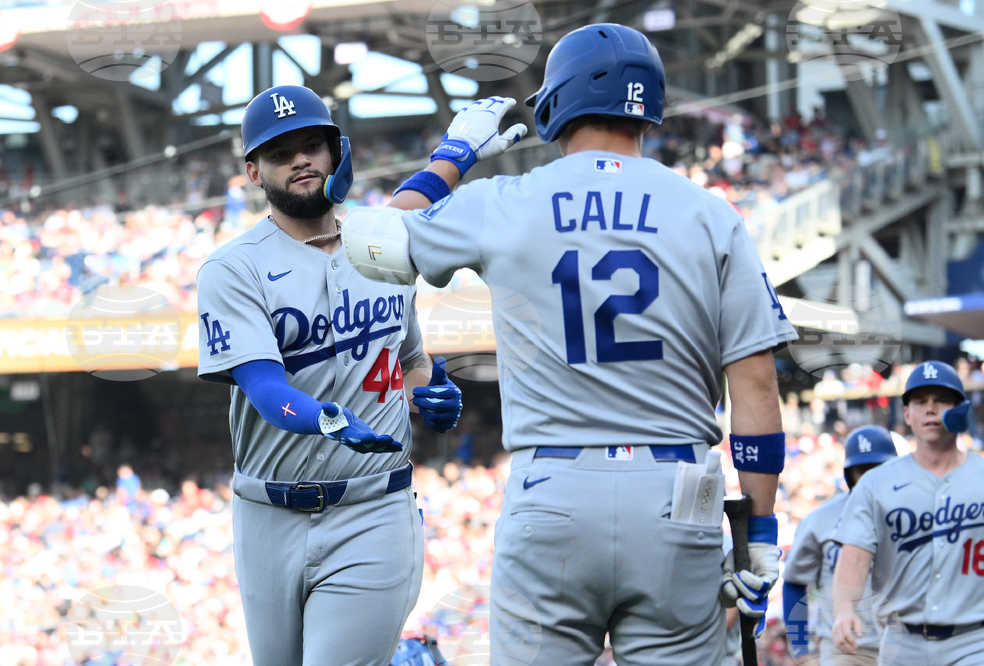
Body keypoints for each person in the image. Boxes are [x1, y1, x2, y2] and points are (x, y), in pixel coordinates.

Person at [341, 23, 797, 665]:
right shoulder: (710, 213)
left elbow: (370, 244)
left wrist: (454, 156)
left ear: (556, 102)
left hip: (552, 489)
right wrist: (761, 529)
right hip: (678, 492)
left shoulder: (507, 201)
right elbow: (756, 384)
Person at [196, 85, 463, 666]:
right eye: (280, 152)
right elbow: (266, 390)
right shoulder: (232, 267)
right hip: (266, 515)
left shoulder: (381, 248)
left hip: (373, 506)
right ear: (252, 171)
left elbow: (410, 359)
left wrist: (428, 395)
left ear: (336, 152)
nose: (300, 159)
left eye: (312, 144)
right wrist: (328, 420)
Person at [831, 361, 979, 666]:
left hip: (974, 640)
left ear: (960, 409)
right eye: (920, 401)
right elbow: (855, 556)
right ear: (907, 414)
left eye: (941, 400)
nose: (931, 409)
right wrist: (844, 609)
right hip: (902, 644)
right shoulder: (875, 483)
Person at [782, 426, 898, 665]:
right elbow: (794, 583)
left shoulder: (916, 517)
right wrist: (802, 650)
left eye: (879, 468)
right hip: (844, 651)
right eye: (863, 470)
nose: (871, 477)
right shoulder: (820, 519)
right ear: (849, 473)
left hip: (906, 646)